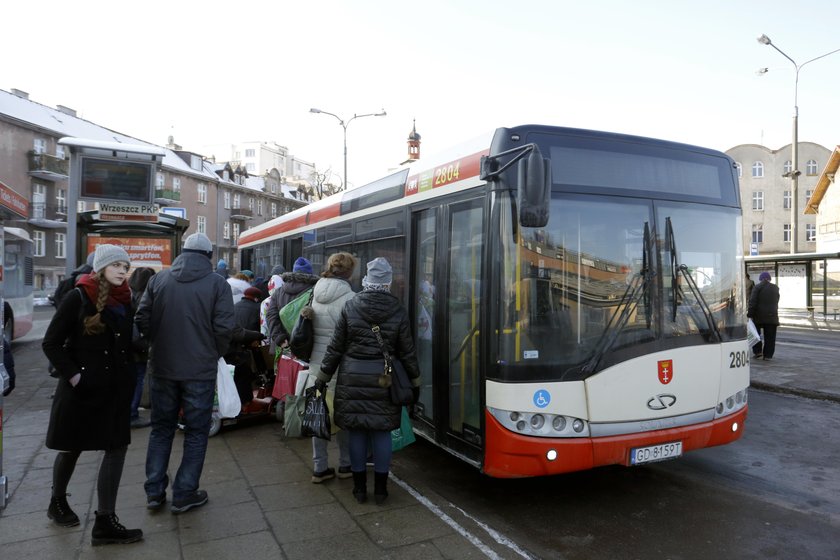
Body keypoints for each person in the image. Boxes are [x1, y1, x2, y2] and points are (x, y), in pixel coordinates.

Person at [42, 244, 142, 546]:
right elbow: (51, 344)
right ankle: (57, 501)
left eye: (125, 267)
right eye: (116, 266)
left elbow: (126, 343)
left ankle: (105, 520)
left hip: (115, 391)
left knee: (116, 449)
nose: (123, 271)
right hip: (81, 391)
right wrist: (75, 377)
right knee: (72, 447)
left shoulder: (126, 300)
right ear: (101, 269)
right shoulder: (78, 297)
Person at [135, 233, 235, 514]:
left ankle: (154, 492)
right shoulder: (217, 284)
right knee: (195, 432)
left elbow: (141, 318)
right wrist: (211, 352)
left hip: (163, 368)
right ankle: (184, 492)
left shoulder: (159, 280)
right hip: (199, 371)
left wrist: (157, 346)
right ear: (208, 255)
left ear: (183, 251)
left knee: (161, 429)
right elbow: (225, 328)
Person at [315, 257, 421, 504]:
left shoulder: (351, 306)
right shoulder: (398, 309)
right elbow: (407, 352)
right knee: (381, 433)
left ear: (366, 280)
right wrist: (415, 384)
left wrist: (322, 378)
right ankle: (382, 490)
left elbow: (335, 348)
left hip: (352, 378)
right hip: (384, 380)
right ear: (387, 282)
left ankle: (359, 489)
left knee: (357, 433)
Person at [307, 252, 357, 483]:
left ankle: (320, 468)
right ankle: (346, 465)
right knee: (343, 417)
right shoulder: (352, 299)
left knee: (319, 415)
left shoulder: (313, 294)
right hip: (342, 368)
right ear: (350, 272)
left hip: (317, 367)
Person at [266, 257, 319, 355]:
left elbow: (271, 316)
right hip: (307, 347)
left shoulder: (278, 292)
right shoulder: (316, 290)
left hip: (283, 347)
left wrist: (280, 339)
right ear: (310, 273)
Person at [128, 267, 156, 428]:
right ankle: (132, 414)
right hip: (140, 346)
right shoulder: (146, 296)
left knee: (134, 378)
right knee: (139, 378)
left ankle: (131, 411)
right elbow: (144, 321)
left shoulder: (129, 293)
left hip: (130, 345)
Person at [231, 286, 267, 411]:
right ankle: (246, 403)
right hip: (246, 345)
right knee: (244, 374)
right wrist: (259, 337)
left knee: (237, 375)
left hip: (232, 347)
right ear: (256, 298)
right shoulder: (257, 308)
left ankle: (239, 400)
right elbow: (256, 327)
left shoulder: (234, 306)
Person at [748, 271, 780, 360]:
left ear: (760, 279)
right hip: (772, 316)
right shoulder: (775, 288)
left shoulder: (757, 287)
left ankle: (758, 352)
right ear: (769, 279)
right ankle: (768, 355)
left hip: (758, 316)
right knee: (770, 337)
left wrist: (750, 314)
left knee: (756, 334)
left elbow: (752, 302)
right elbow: (777, 300)